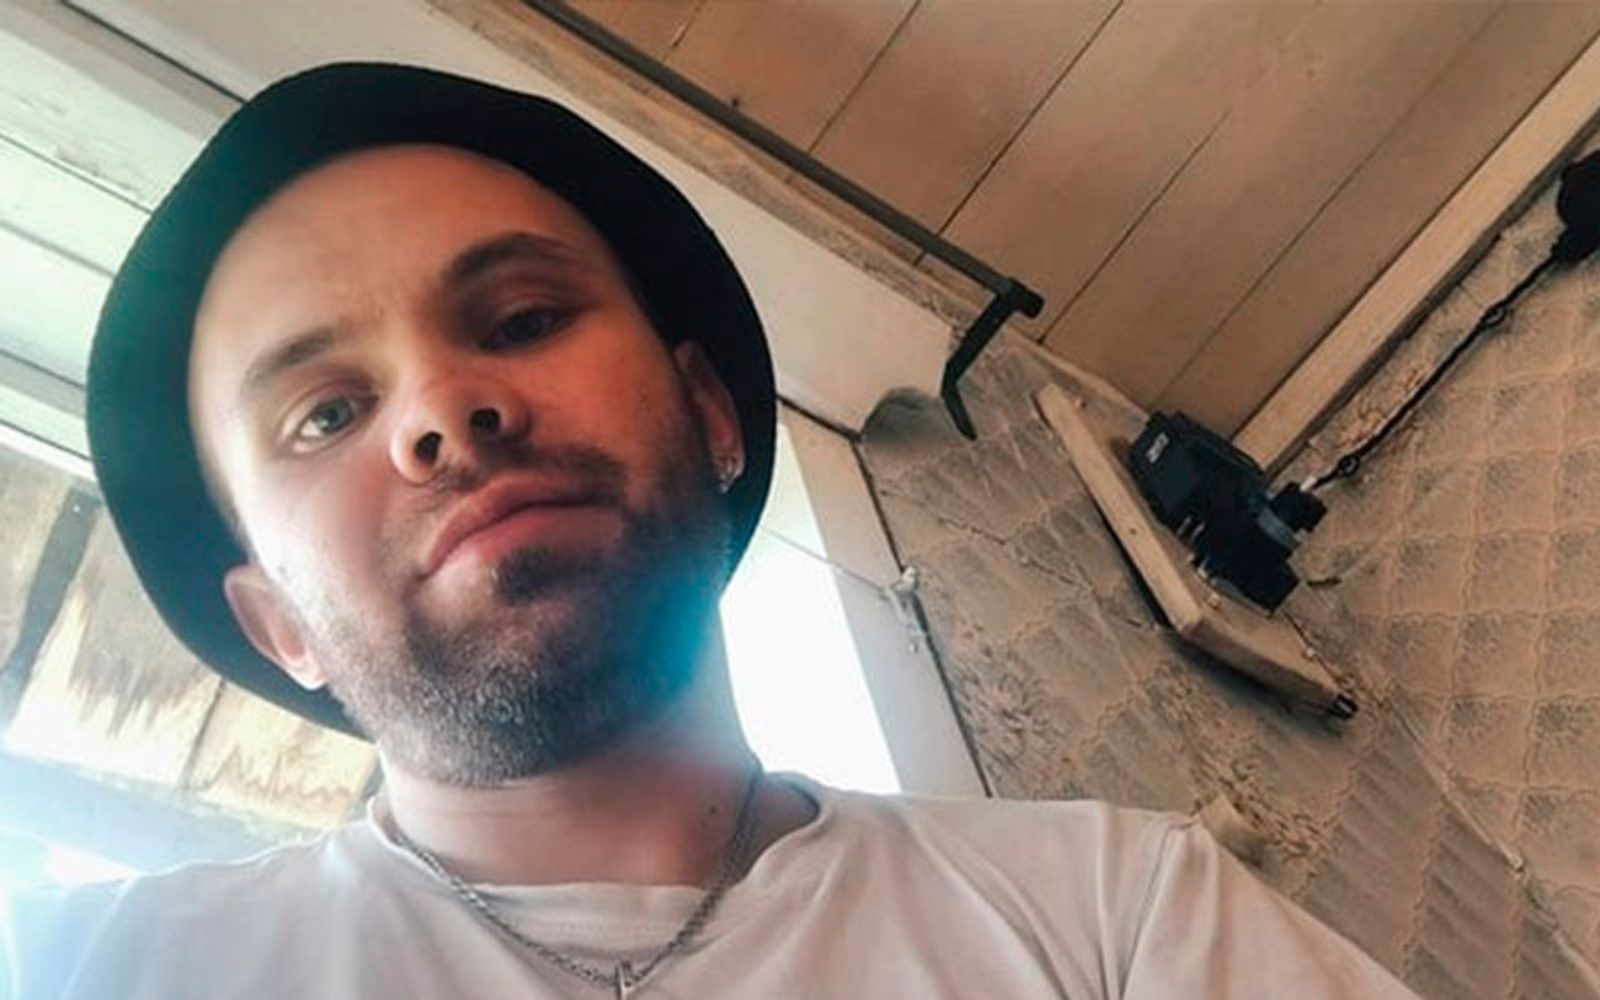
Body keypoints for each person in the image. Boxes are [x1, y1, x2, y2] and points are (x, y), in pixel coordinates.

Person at [2, 63, 1417, 999]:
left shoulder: (1116, 914)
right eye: (323, 414)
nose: (441, 410)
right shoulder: (90, 972)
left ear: (711, 414)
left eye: (523, 319)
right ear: (277, 625)